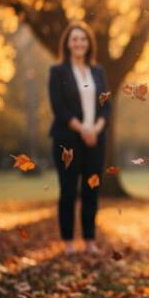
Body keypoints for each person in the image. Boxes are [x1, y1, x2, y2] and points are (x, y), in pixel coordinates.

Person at [48, 21, 110, 255]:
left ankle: (90, 240)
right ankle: (67, 241)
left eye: (83, 39)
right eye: (74, 39)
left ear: (89, 44)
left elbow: (106, 105)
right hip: (67, 140)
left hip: (96, 140)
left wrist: (96, 128)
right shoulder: (58, 72)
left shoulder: (98, 72)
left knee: (91, 190)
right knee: (67, 191)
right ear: (67, 43)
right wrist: (83, 129)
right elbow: (59, 108)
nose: (79, 43)